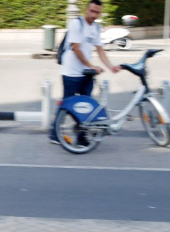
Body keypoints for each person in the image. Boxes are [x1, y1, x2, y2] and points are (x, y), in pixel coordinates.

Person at [49, 0, 121, 145]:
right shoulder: (77, 24)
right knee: (67, 104)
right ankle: (54, 134)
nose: (94, 15)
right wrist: (91, 66)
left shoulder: (96, 27)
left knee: (85, 106)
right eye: (92, 11)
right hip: (71, 73)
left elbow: (100, 50)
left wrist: (110, 66)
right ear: (86, 10)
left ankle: (82, 138)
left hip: (86, 73)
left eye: (97, 12)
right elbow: (76, 49)